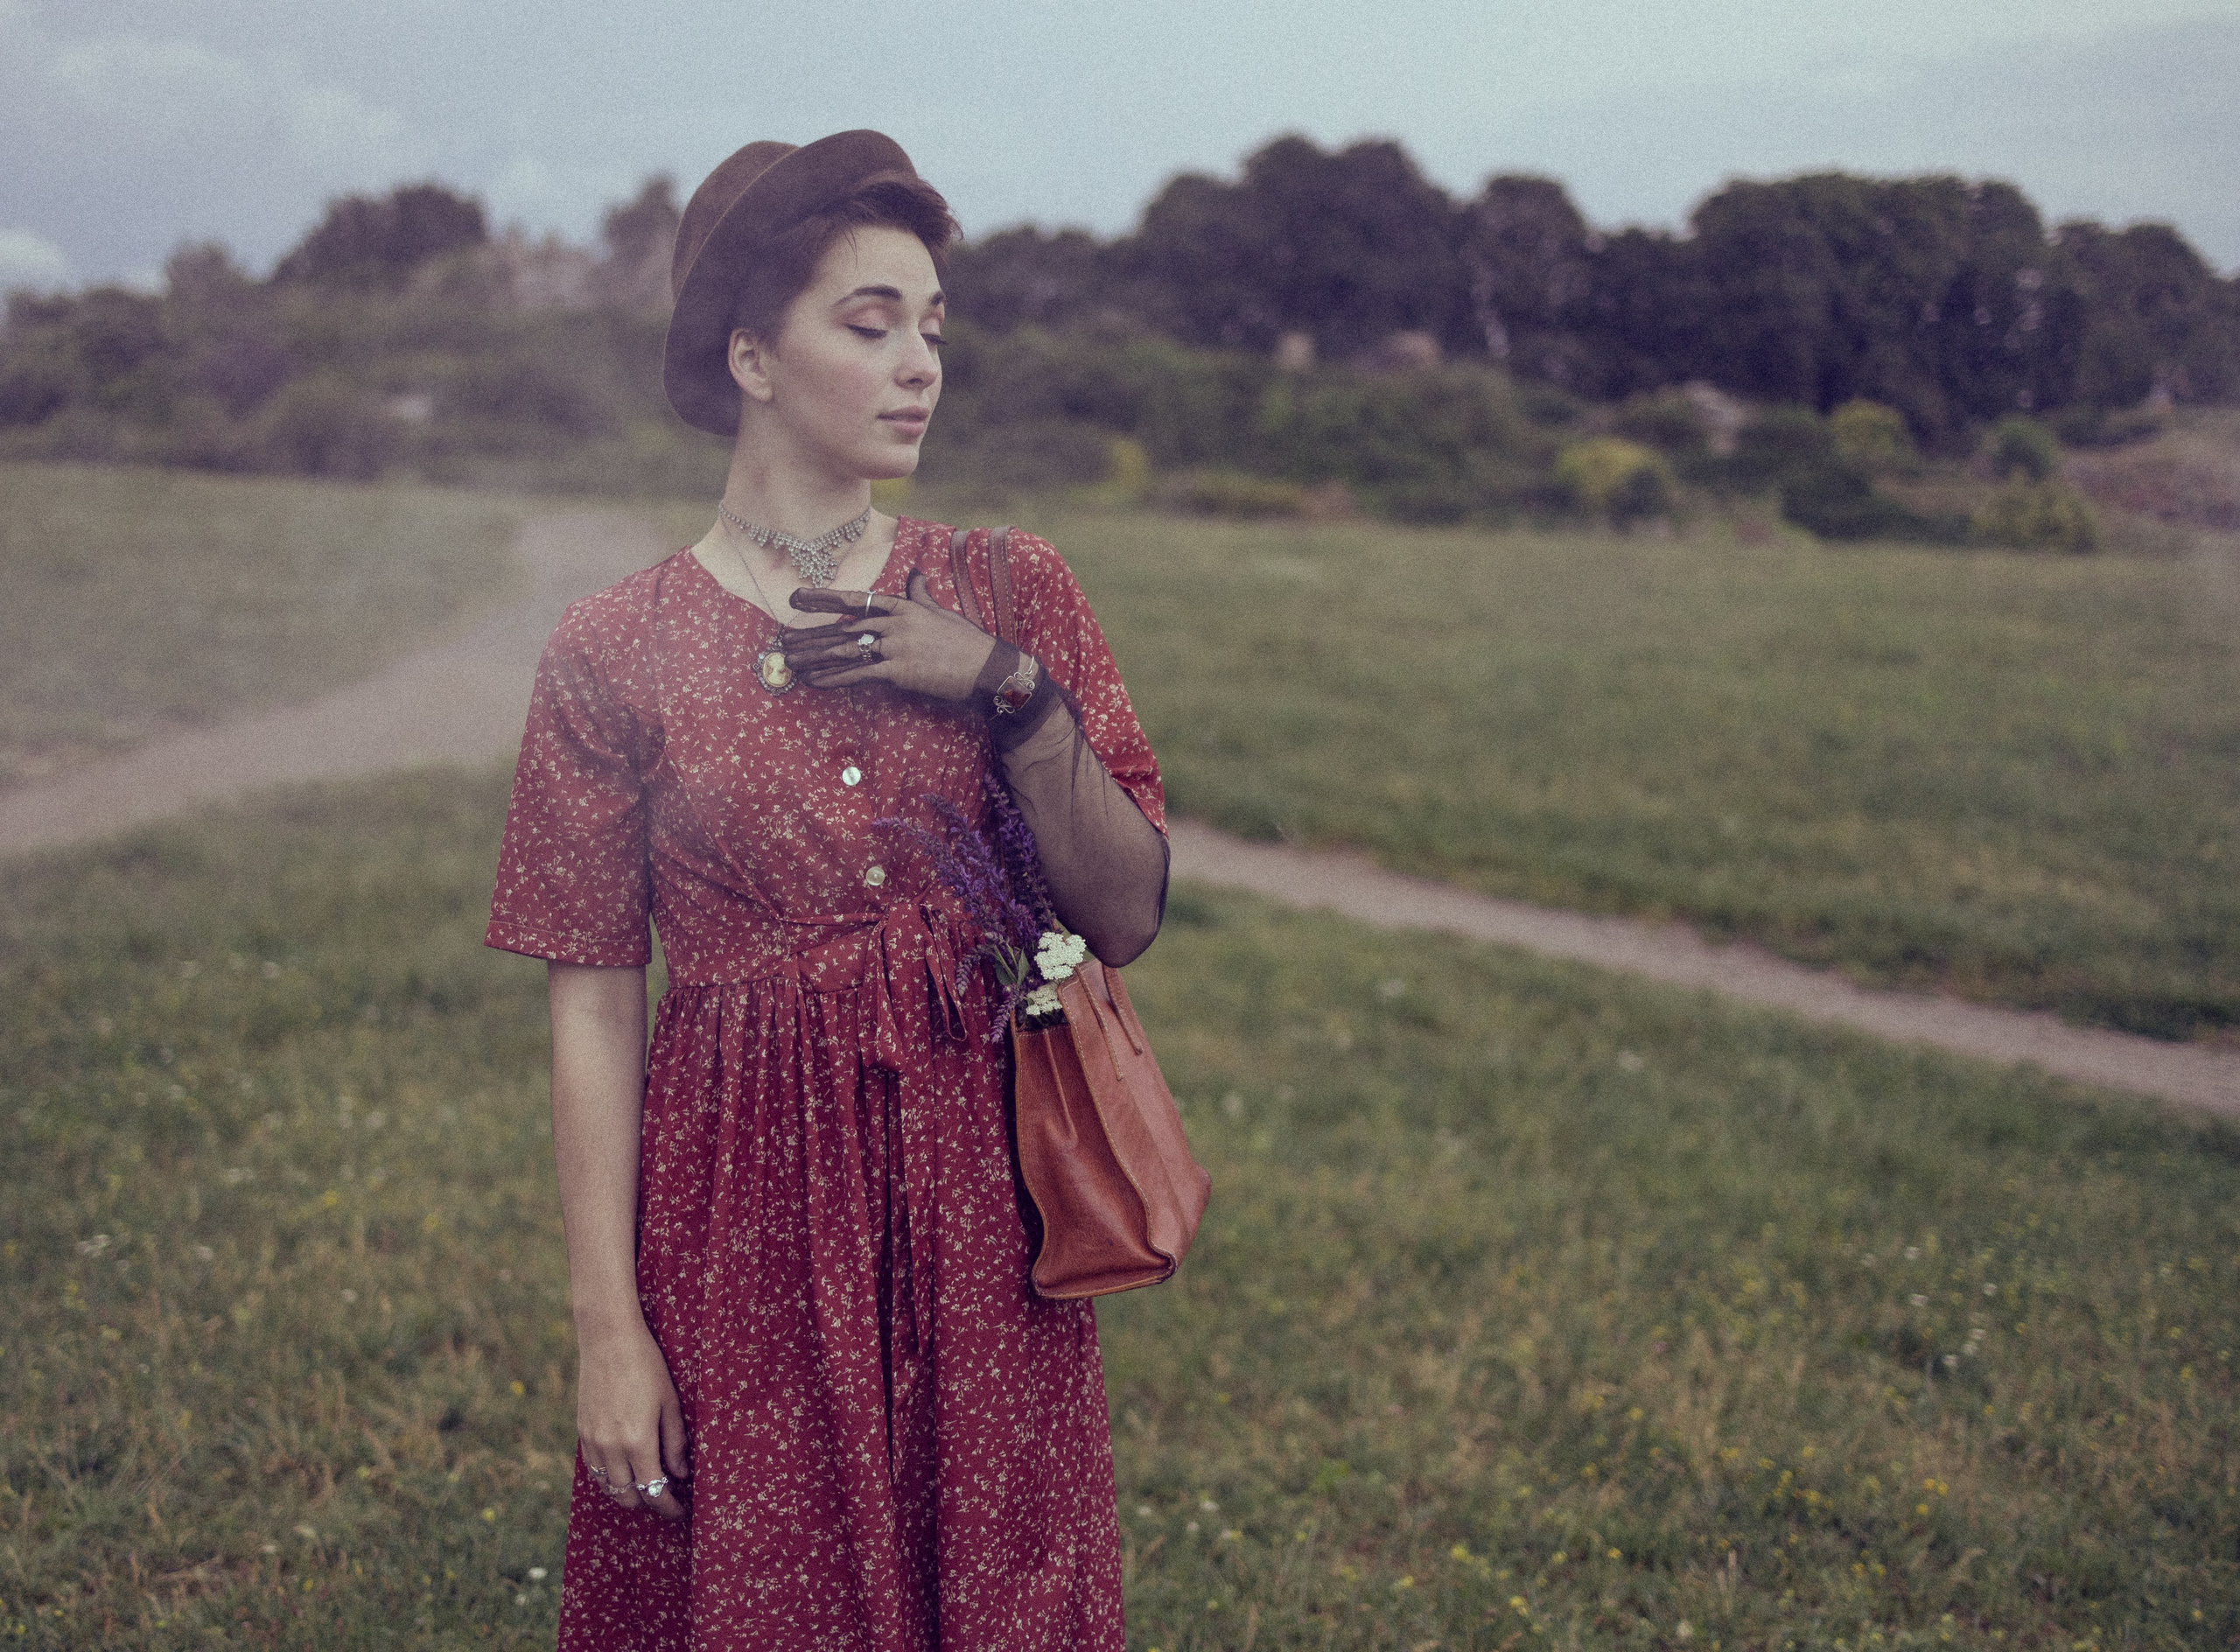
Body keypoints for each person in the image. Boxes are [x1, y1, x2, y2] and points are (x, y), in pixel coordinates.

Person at [485, 130, 1170, 1651]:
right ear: (751, 356)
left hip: (985, 1220)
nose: (920, 365)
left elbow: (1126, 915)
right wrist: (607, 1330)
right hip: (739, 1221)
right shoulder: (615, 649)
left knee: (1000, 1593)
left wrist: (1007, 688)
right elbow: (592, 1003)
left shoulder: (1009, 587)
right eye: (870, 325)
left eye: (933, 327)